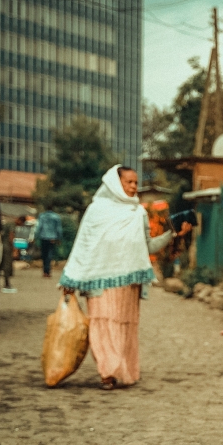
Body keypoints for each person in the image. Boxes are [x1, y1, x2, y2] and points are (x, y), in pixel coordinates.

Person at [59, 165, 191, 390]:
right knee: (103, 325)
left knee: (124, 327)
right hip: (100, 283)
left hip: (129, 285)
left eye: (135, 183)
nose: (133, 187)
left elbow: (147, 245)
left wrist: (173, 235)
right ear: (114, 183)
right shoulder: (96, 211)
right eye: (128, 182)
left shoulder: (137, 212)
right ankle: (107, 373)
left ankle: (122, 369)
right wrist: (71, 279)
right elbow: (84, 246)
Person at [35, 207, 63, 278]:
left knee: (44, 255)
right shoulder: (56, 217)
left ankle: (44, 271)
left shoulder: (42, 216)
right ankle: (48, 271)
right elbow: (58, 228)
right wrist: (59, 238)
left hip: (43, 237)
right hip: (52, 238)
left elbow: (39, 227)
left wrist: (36, 236)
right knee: (49, 255)